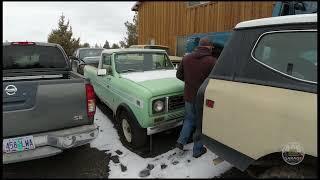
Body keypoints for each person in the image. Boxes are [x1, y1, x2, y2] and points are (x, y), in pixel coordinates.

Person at [175, 37, 217, 158]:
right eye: (211, 48)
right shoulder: (212, 61)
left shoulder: (186, 58)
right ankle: (197, 150)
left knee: (188, 120)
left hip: (188, 96)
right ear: (209, 47)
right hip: (202, 98)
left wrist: (189, 81)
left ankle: (180, 143)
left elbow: (179, 75)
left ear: (199, 46)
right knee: (200, 124)